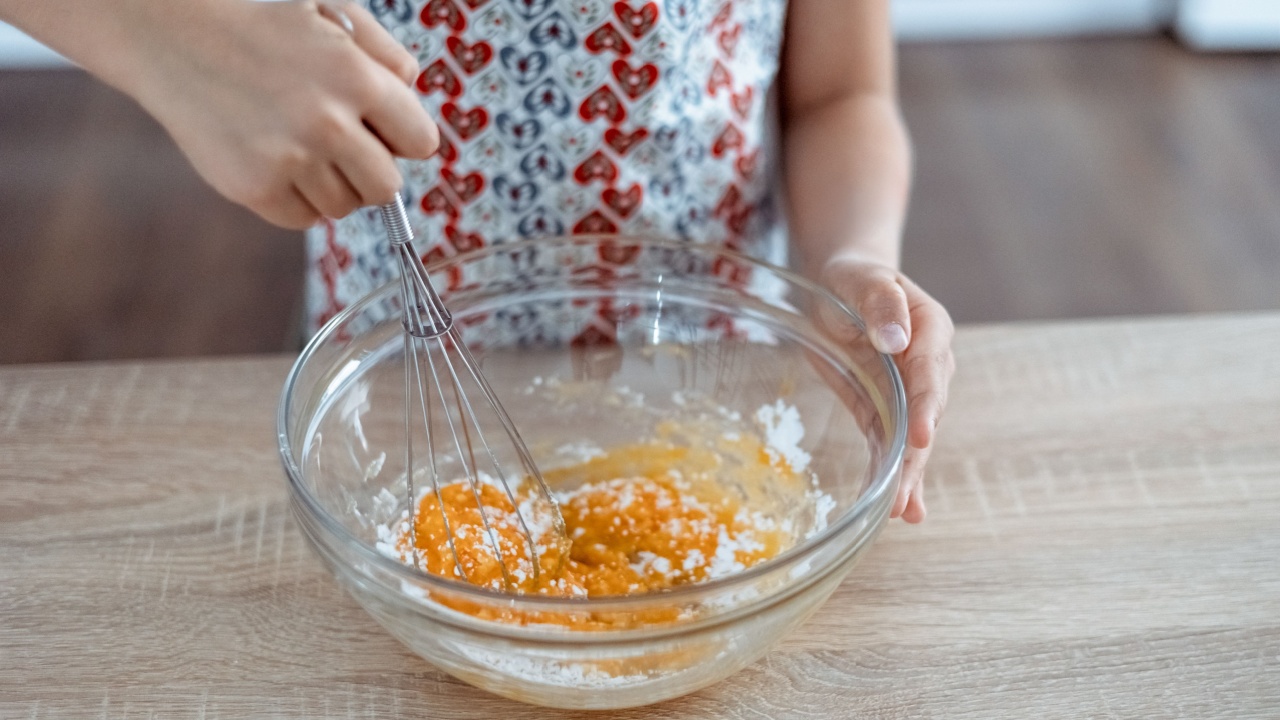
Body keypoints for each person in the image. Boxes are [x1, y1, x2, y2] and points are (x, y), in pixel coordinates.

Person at [1, 0, 953, 522]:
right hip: (388, 380)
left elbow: (842, 93)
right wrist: (163, 23)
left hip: (721, 378)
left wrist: (855, 257)